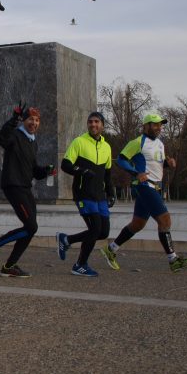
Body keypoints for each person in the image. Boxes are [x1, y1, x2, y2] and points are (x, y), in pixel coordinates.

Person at [101, 112, 187, 273]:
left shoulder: (160, 143)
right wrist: (135, 173)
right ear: (145, 126)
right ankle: (173, 259)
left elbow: (155, 164)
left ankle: (111, 249)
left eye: (160, 124)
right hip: (144, 186)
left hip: (155, 186)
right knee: (165, 221)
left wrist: (168, 163)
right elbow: (121, 159)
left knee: (137, 224)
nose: (159, 127)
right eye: (155, 124)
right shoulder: (138, 142)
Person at [0, 103, 54, 278]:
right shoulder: (15, 135)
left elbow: (34, 171)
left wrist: (46, 171)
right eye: (31, 119)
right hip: (13, 185)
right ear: (24, 120)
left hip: (25, 187)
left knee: (31, 228)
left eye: (37, 120)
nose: (34, 123)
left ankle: (10, 265)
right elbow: (1, 139)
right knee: (31, 225)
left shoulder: (32, 143)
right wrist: (13, 119)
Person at [56, 111, 114, 277]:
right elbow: (66, 165)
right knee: (95, 229)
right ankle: (80, 265)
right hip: (83, 193)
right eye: (90, 122)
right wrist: (82, 171)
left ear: (102, 125)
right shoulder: (79, 142)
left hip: (100, 195)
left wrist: (111, 193)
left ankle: (66, 240)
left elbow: (107, 174)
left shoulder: (107, 147)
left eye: (96, 122)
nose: (93, 125)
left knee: (103, 232)